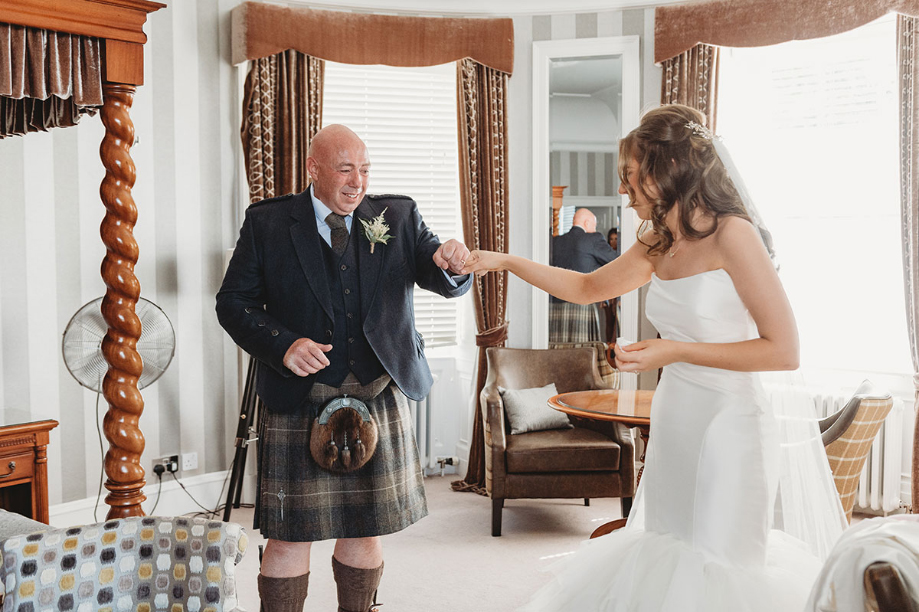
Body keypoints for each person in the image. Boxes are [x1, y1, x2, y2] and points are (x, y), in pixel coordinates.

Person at [462, 104, 845, 611]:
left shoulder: (734, 235)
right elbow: (585, 286)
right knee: (669, 555)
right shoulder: (657, 240)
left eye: (630, 176)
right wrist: (507, 261)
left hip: (730, 426)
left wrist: (675, 350)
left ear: (667, 169)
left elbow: (784, 350)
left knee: (720, 566)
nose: (624, 190)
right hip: (677, 417)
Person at [216, 124, 472, 612]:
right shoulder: (268, 223)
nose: (358, 181)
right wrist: (284, 345)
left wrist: (453, 263)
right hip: (301, 394)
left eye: (365, 169)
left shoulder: (397, 214)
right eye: (345, 169)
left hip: (377, 388)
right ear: (314, 169)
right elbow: (233, 303)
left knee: (365, 526)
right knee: (290, 536)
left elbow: (438, 270)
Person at [549, 209, 617, 343]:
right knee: (583, 353)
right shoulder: (593, 239)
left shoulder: (555, 242)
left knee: (557, 352)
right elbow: (616, 261)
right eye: (594, 225)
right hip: (582, 304)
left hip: (555, 305)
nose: (595, 229)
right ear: (587, 222)